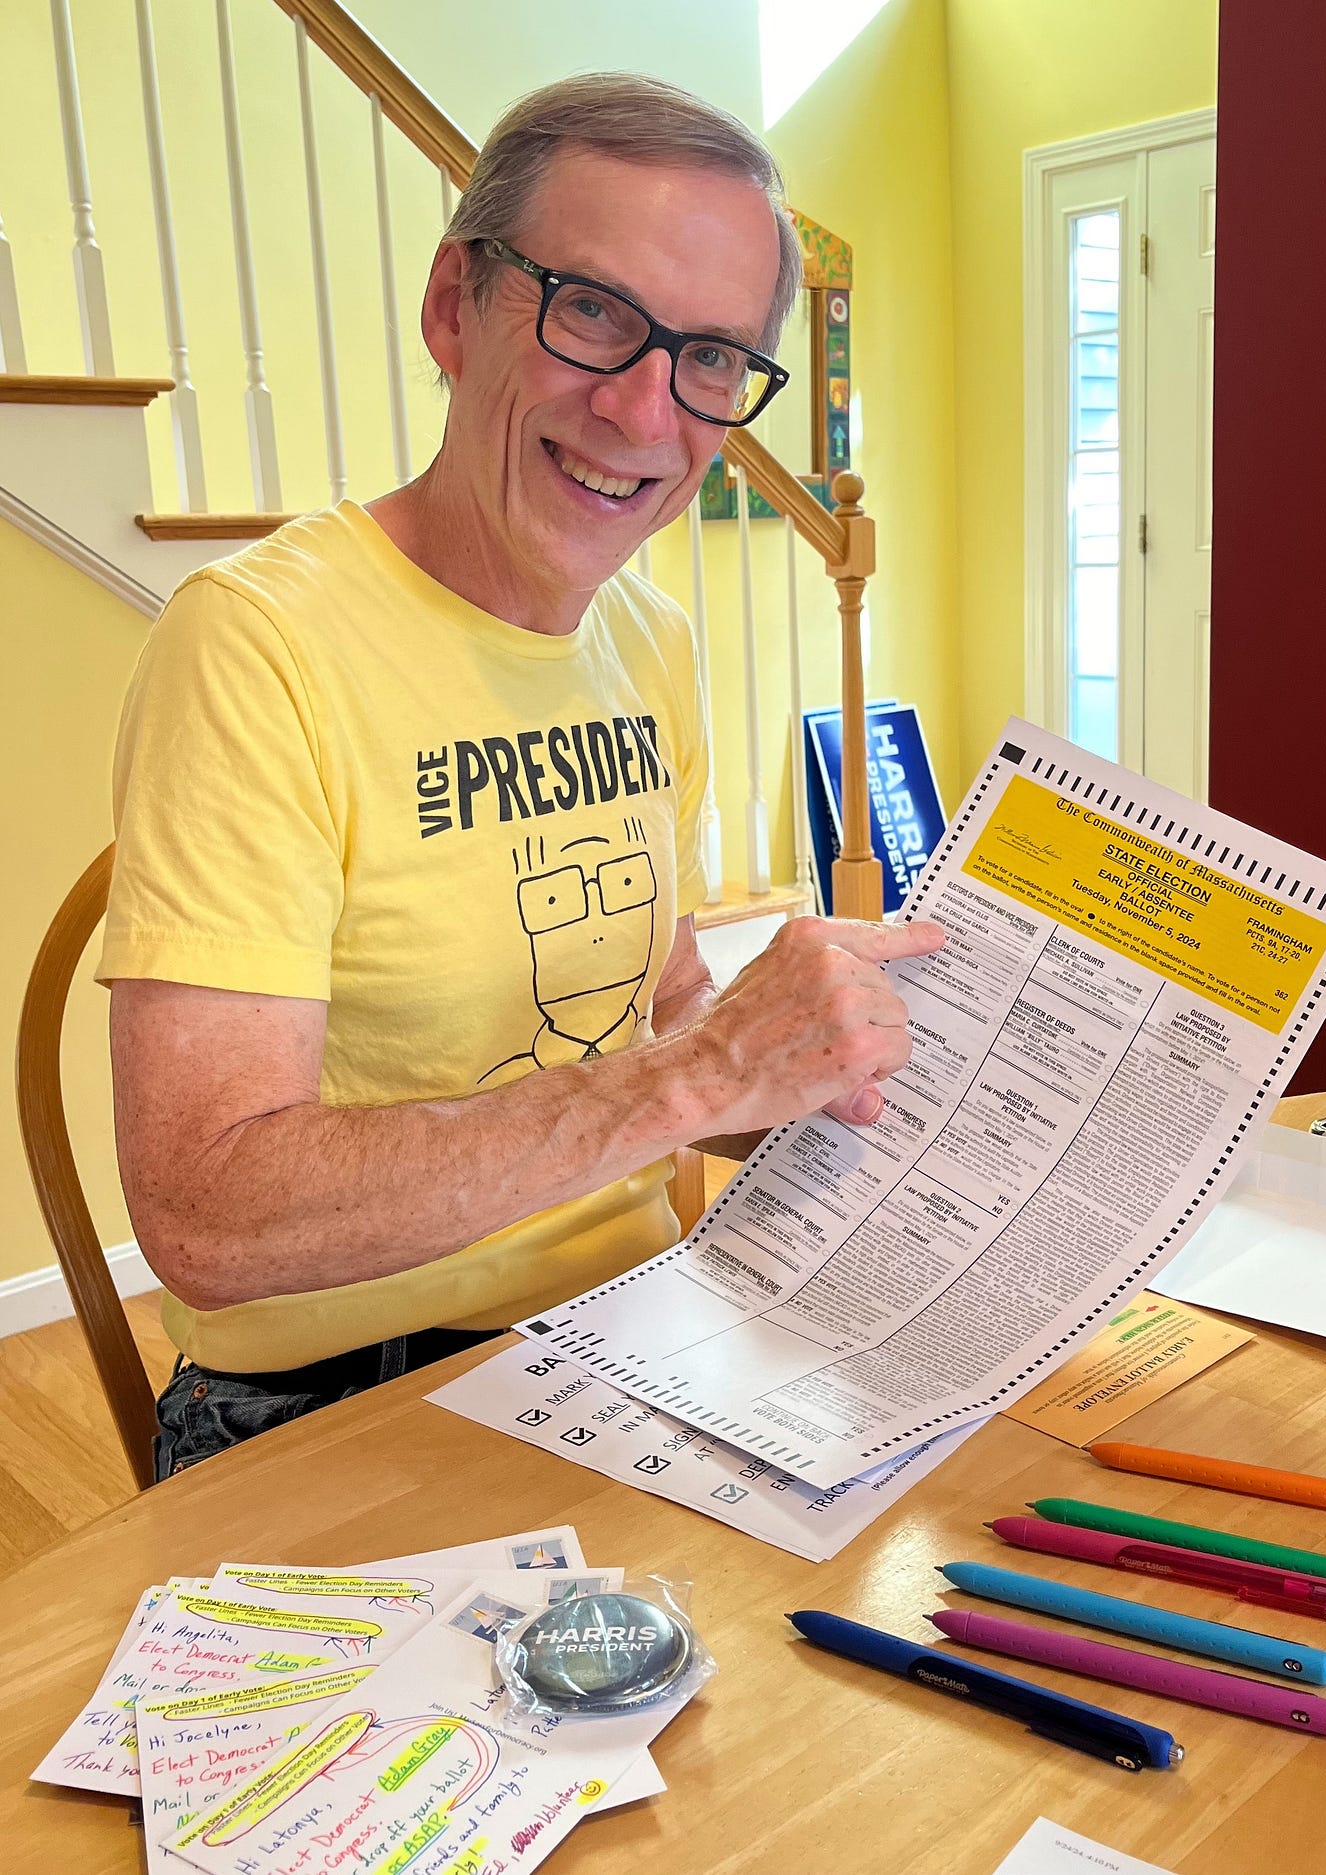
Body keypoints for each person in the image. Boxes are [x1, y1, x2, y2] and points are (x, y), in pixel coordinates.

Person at [101, 72, 942, 1478]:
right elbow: (207, 1214)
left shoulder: (649, 640)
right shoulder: (256, 644)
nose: (642, 409)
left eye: (714, 359)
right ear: (454, 309)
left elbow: (657, 999)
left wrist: (828, 1074)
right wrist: (696, 1077)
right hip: (334, 1396)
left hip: (639, 1328)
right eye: (594, 312)